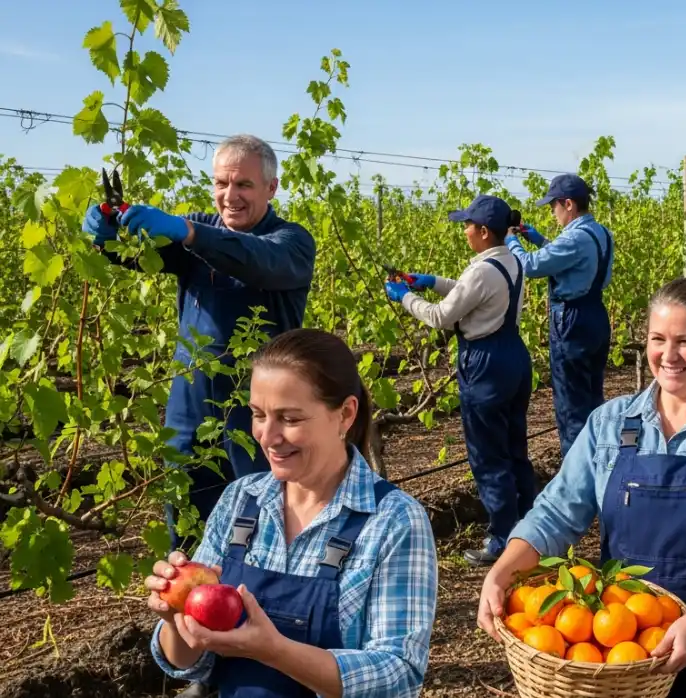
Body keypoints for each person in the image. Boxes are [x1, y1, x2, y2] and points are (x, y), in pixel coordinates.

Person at [476, 278, 686, 697]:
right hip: (620, 655)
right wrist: (502, 572)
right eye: (658, 339)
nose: (669, 355)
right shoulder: (610, 424)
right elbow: (555, 514)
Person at [144, 328, 437, 698]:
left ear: (345, 414)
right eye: (258, 415)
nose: (268, 435)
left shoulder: (393, 521)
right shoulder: (240, 501)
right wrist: (176, 618)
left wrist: (276, 651)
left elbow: (398, 671)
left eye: (290, 419)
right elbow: (190, 660)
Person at [81, 134, 316, 551]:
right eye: (222, 184)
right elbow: (137, 253)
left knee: (263, 522)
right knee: (188, 529)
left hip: (261, 412)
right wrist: (107, 235)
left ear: (271, 188)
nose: (230, 196)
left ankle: (264, 611)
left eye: (243, 185)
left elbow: (255, 260)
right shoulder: (198, 229)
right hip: (188, 408)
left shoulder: (291, 241)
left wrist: (187, 232)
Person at [384, 193, 536, 567]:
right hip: (513, 355)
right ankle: (529, 529)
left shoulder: (482, 270)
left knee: (488, 454)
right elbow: (473, 292)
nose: (464, 231)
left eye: (467, 225)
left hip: (485, 362)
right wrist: (431, 281)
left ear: (484, 232)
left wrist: (404, 297)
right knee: (514, 445)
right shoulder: (511, 261)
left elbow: (440, 317)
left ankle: (501, 538)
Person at [506, 173, 615, 458]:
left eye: (553, 206)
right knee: (592, 398)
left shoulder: (575, 238)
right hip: (595, 316)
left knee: (571, 408)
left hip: (572, 321)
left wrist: (511, 241)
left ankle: (577, 480)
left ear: (568, 204)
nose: (553, 213)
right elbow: (569, 260)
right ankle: (600, 466)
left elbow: (529, 266)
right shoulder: (600, 233)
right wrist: (539, 239)